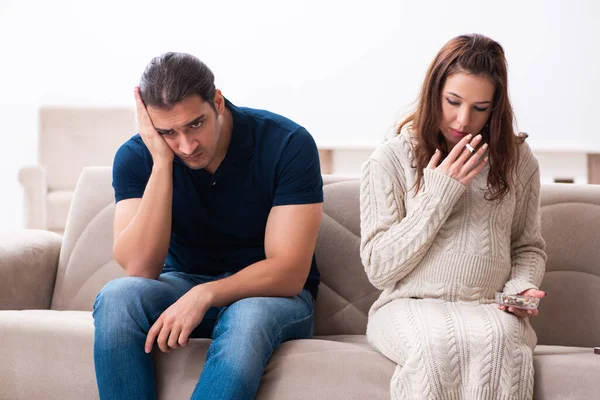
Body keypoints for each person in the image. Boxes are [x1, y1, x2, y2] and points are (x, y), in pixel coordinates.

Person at [93, 52, 323, 400]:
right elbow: (140, 269)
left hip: (269, 297)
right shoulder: (138, 156)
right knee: (117, 297)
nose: (186, 145)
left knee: (248, 316)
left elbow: (288, 272)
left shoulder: (286, 143)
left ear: (217, 100)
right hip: (181, 284)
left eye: (195, 124)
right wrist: (160, 164)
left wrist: (205, 294)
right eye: (168, 131)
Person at [360, 34, 547, 399]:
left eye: (480, 107)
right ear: (434, 93)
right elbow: (380, 269)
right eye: (453, 102)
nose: (463, 120)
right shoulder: (390, 159)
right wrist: (439, 195)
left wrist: (519, 289)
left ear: (495, 107)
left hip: (488, 308)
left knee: (499, 346)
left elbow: (528, 247)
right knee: (435, 348)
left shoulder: (518, 160)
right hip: (407, 307)